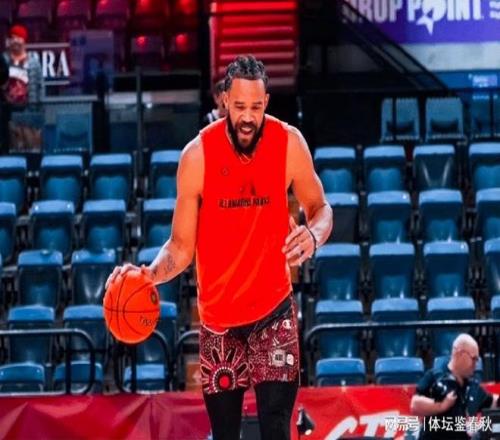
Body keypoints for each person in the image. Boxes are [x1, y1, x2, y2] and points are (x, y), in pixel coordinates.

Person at [106, 55, 333, 440]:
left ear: (266, 102)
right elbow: (181, 247)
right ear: (225, 100)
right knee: (224, 433)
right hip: (219, 322)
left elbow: (321, 208)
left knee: (276, 427)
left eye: (256, 107)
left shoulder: (289, 143)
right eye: (240, 106)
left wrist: (313, 235)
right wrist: (148, 275)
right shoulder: (197, 157)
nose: (248, 117)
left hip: (273, 311)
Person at [410, 334, 499, 439]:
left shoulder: (474, 387)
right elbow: (415, 405)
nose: (475, 364)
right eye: (474, 359)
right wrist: (441, 406)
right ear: (460, 354)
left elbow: (493, 402)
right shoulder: (435, 377)